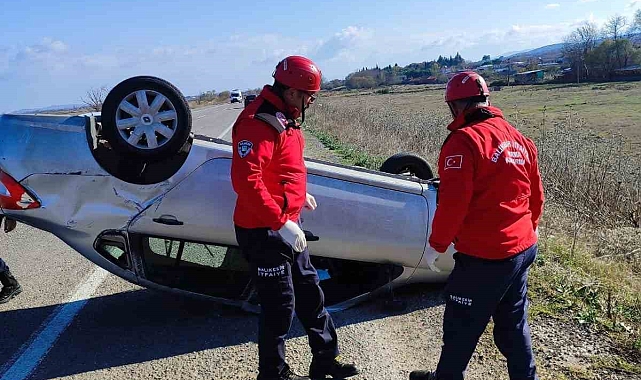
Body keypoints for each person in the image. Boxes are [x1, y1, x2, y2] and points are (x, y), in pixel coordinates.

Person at [231, 55, 359, 380]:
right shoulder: (258, 123)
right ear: (290, 92)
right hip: (264, 230)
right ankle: (273, 374)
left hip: (288, 225)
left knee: (310, 294)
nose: (311, 101)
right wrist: (280, 222)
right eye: (309, 95)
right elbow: (247, 180)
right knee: (279, 307)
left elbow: (282, 169)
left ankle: (326, 359)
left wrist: (300, 197)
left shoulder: (283, 118)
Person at [409, 71, 544, 380]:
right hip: (522, 248)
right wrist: (529, 227)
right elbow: (536, 196)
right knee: (513, 324)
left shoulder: (463, 142)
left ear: (456, 107)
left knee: (460, 326)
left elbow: (454, 203)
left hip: (487, 256)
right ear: (486, 100)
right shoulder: (520, 139)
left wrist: (436, 245)